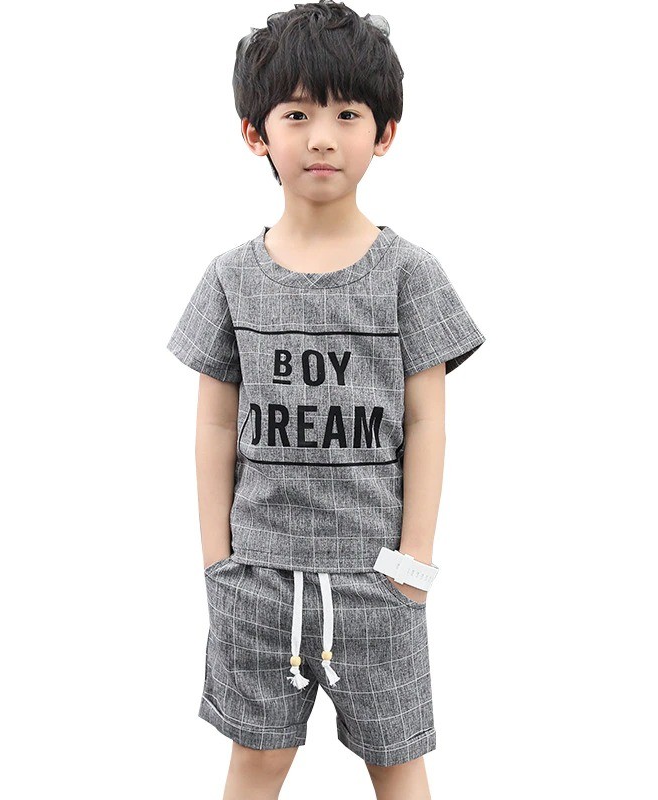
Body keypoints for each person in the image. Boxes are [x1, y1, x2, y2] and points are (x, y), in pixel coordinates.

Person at [166, 2, 486, 797]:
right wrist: (218, 561)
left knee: (398, 761)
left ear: (385, 132)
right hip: (257, 576)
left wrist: (411, 568)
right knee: (256, 761)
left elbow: (427, 421)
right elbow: (214, 423)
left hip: (376, 577)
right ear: (255, 133)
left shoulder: (410, 274)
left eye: (347, 114)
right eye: (297, 113)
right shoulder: (230, 278)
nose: (321, 137)